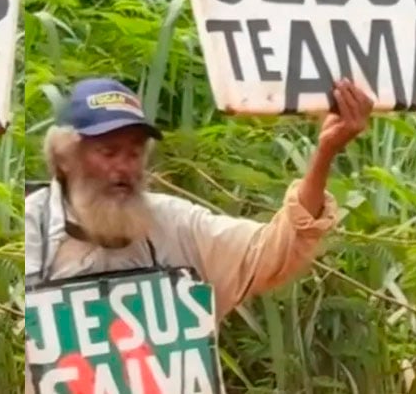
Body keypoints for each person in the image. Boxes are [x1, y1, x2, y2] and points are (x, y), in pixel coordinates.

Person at [24, 76, 374, 392]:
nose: (124, 168)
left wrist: (325, 152)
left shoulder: (176, 225)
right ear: (65, 158)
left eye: (133, 153)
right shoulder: (31, 232)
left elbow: (273, 250)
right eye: (109, 151)